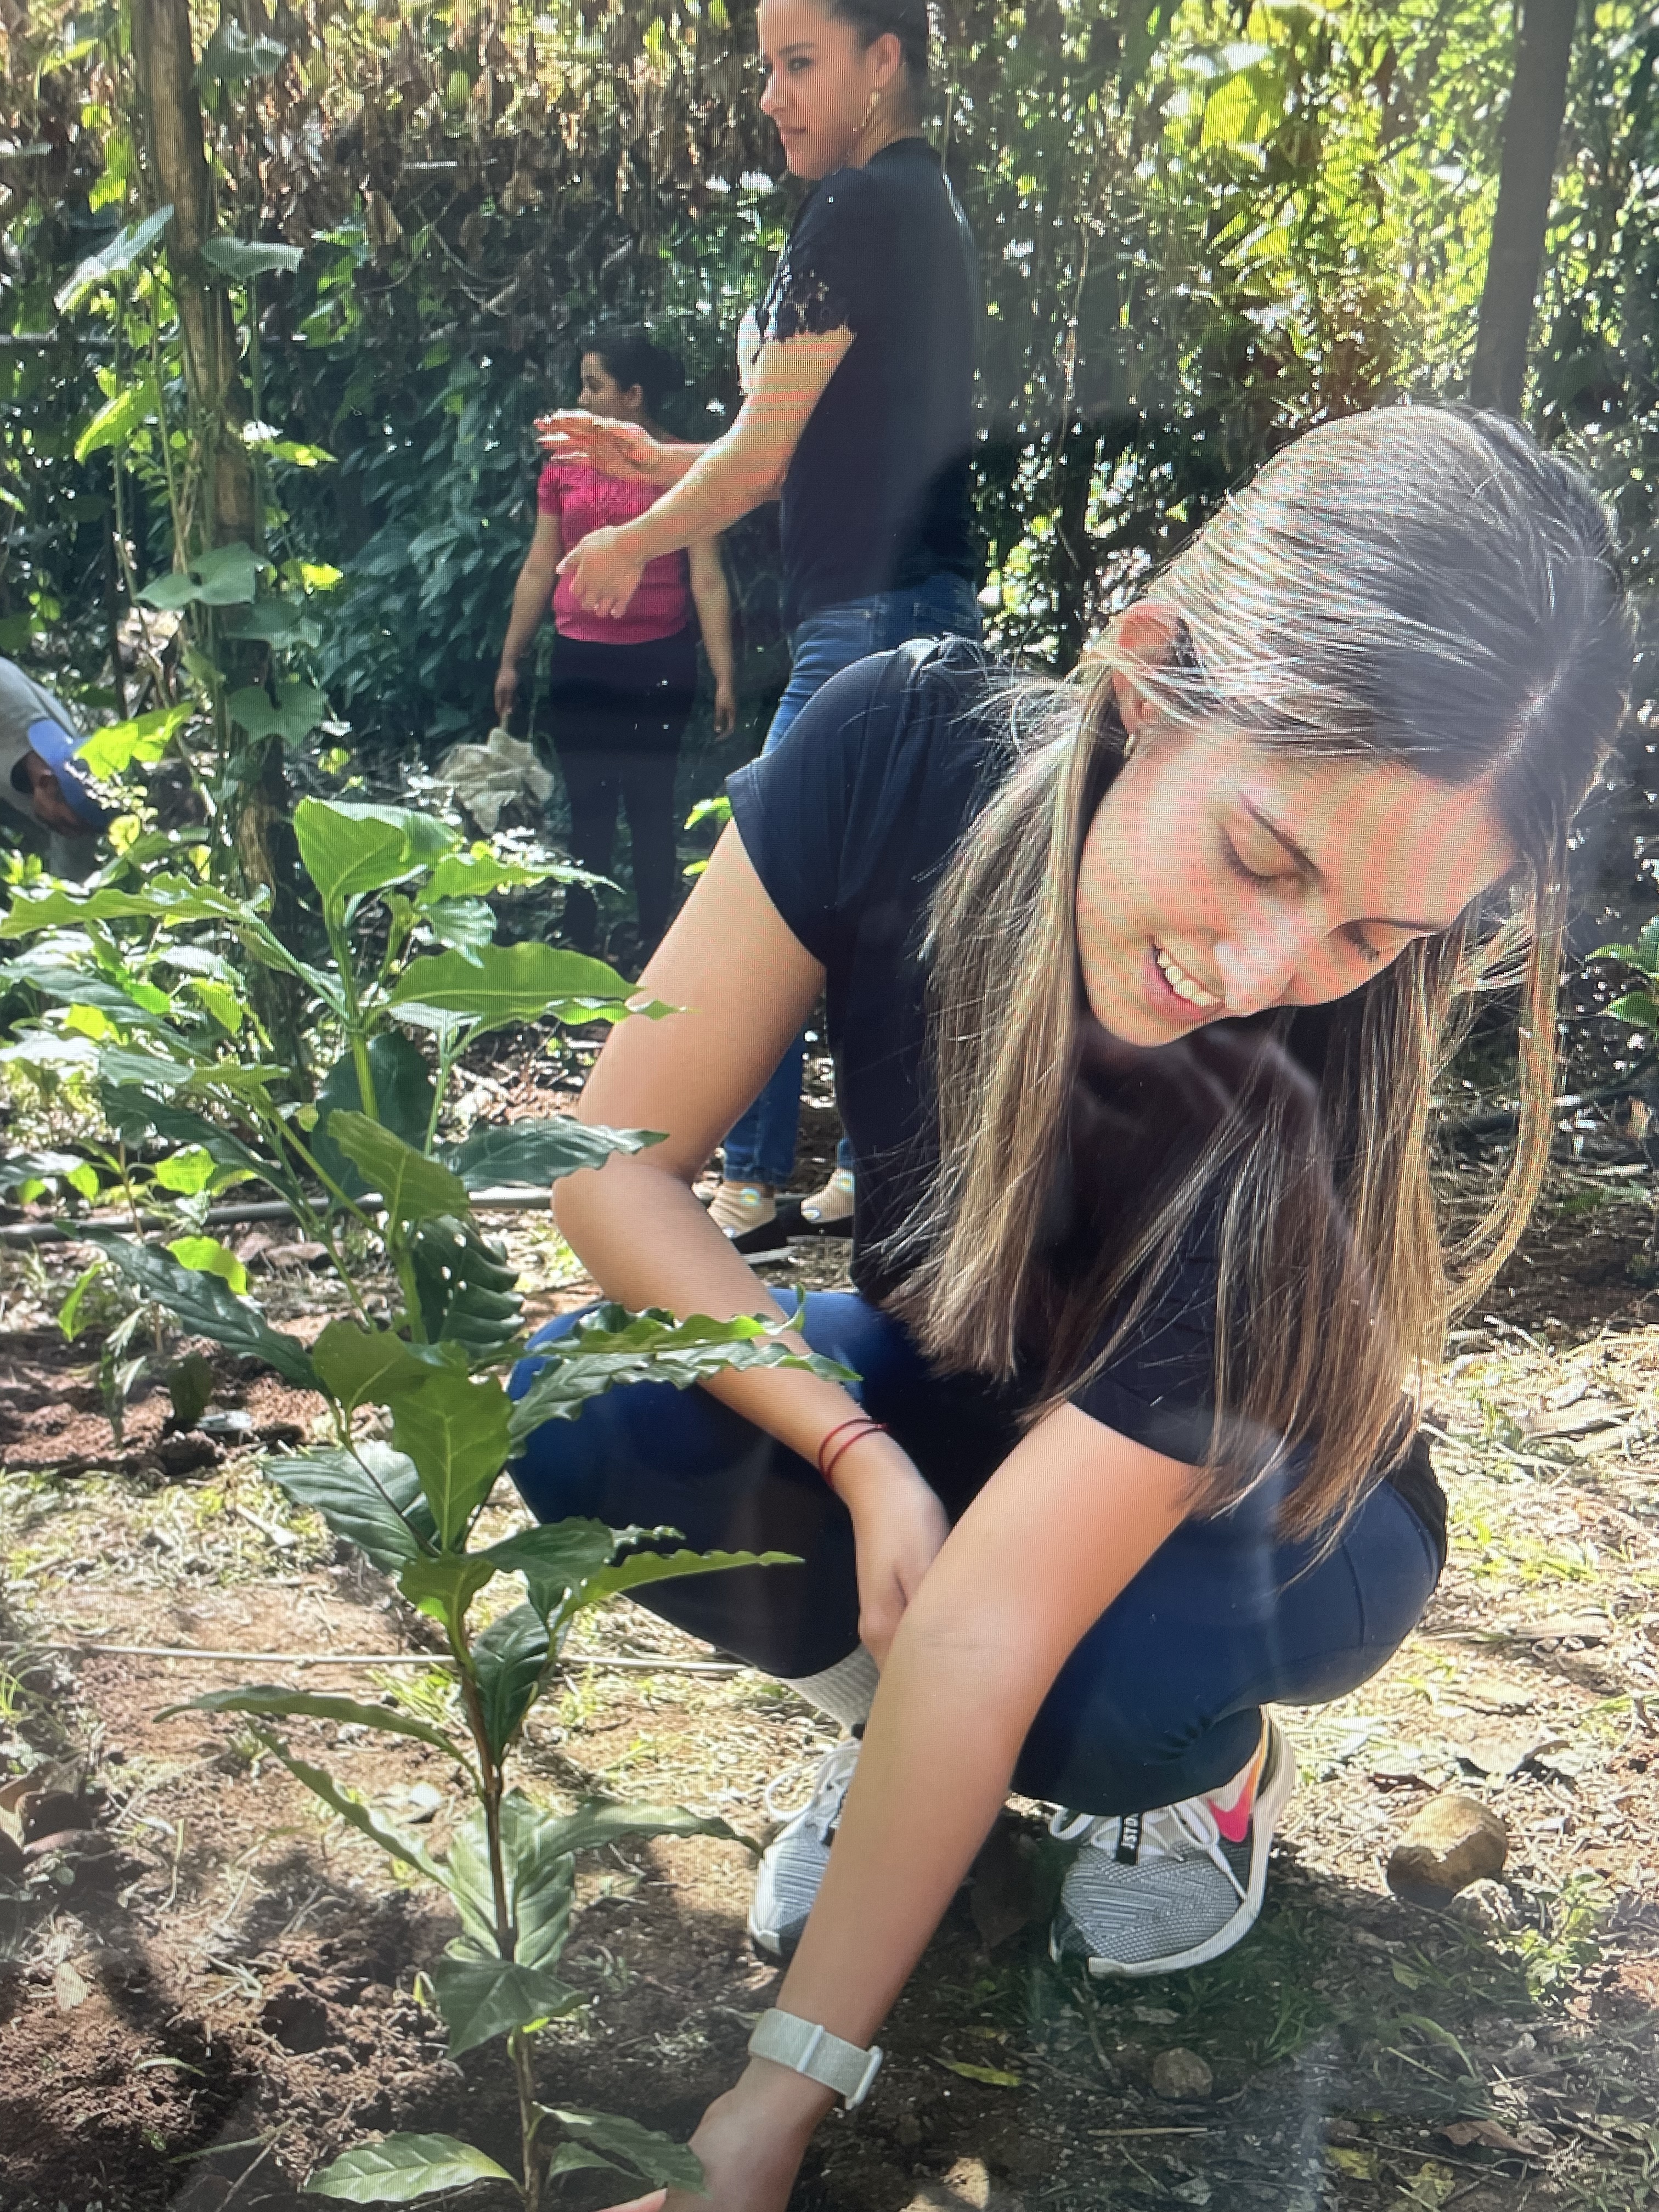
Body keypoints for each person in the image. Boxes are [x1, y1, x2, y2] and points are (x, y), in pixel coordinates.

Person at [510, 407, 1631, 2212]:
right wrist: (859, 1454)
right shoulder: (891, 748)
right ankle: (908, 1783)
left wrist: (763, 2115)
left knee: (1083, 1680)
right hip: (965, 1377)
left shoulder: (1293, 1133)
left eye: (1367, 936)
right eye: (1269, 858)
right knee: (599, 1401)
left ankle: (1193, 1780)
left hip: (1277, 1513)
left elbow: (982, 1629)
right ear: (1144, 671)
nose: (1264, 977)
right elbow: (608, 1168)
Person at [541, 0, 981, 1251]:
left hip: (868, 633)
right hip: (930, 626)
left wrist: (630, 536)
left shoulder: (855, 210)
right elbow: (800, 459)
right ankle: (880, 1195)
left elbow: (764, 456)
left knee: (757, 914)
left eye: (800, 65)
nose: (774, 97)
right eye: (767, 69)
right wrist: (658, 460)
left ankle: (730, 1188)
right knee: (881, 939)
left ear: (883, 62)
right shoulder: (925, 211)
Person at [495, 327, 737, 964]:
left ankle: (657, 944)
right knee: (588, 805)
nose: (581, 396)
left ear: (633, 397)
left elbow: (706, 577)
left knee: (654, 803)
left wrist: (725, 674)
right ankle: (579, 941)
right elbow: (538, 565)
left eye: (594, 385)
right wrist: (510, 659)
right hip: (582, 659)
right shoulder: (564, 469)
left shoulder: (687, 464)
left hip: (661, 658)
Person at [0, 657, 110, 876]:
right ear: (46, 783)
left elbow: (70, 888)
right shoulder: (6, 704)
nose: (73, 834)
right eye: (65, 825)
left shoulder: (74, 797)